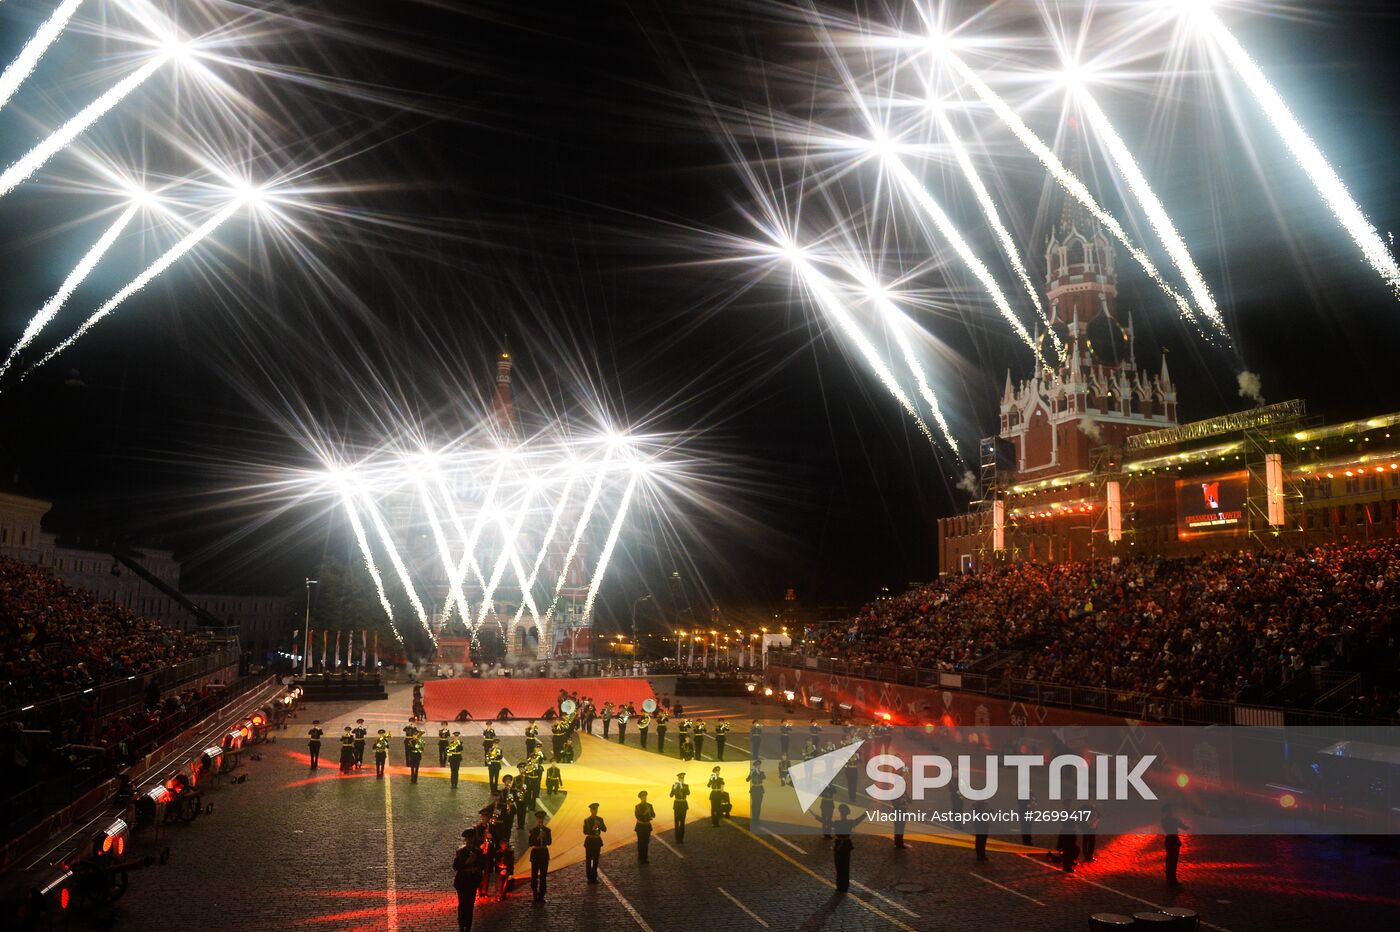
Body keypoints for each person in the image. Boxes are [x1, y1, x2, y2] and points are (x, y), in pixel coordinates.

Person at [453, 828, 484, 931]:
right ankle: (462, 925)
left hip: (472, 882)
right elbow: (455, 866)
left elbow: (483, 865)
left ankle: (468, 926)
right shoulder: (461, 852)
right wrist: (467, 862)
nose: (469, 842)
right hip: (462, 882)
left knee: (470, 904)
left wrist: (477, 861)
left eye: (471, 839)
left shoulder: (478, 852)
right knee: (462, 904)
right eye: (467, 840)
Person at [831, 804, 867, 893]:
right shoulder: (850, 822)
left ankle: (840, 885)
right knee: (845, 866)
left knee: (839, 866)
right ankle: (845, 886)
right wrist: (867, 812)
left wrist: (815, 816)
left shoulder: (837, 822)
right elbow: (860, 819)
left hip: (838, 844)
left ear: (840, 813)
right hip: (846, 844)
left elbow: (825, 821)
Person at [1161, 804, 1188, 886]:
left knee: (1169, 860)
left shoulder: (1163, 820)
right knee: (1173, 860)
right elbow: (1184, 827)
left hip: (1168, 840)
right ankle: (1173, 880)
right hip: (1174, 840)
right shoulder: (1174, 820)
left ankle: (1169, 878)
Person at [527, 812, 551, 904]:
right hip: (536, 853)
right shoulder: (533, 830)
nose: (540, 820)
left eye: (541, 819)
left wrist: (544, 837)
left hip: (544, 852)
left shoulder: (547, 830)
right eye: (538, 819)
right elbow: (531, 843)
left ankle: (541, 895)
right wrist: (538, 837)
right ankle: (535, 893)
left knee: (543, 876)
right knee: (534, 876)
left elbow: (549, 842)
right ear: (536, 819)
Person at [582, 803, 607, 883]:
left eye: (596, 810)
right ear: (591, 810)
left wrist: (599, 825)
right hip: (590, 841)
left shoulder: (600, 819)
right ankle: (589, 878)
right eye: (593, 810)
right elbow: (585, 832)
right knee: (589, 860)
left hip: (597, 841)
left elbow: (605, 829)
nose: (595, 811)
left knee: (596, 860)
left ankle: (594, 877)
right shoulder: (587, 820)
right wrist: (592, 829)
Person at [634, 790, 656, 863]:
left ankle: (645, 857)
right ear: (640, 798)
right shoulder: (637, 807)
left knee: (646, 842)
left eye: (645, 796)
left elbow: (653, 815)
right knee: (641, 842)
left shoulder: (650, 805)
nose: (645, 798)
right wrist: (645, 812)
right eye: (643, 797)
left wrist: (650, 811)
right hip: (640, 826)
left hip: (647, 826)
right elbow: (638, 817)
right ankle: (641, 857)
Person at [670, 772, 690, 843]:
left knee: (682, 822)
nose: (682, 779)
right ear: (678, 779)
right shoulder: (675, 785)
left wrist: (682, 787)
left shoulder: (686, 786)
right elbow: (671, 795)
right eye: (681, 778)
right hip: (677, 805)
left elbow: (688, 793)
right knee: (676, 822)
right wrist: (674, 789)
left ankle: (681, 838)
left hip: (683, 805)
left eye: (683, 778)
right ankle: (677, 838)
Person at [746, 759, 766, 827]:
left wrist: (758, 772)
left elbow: (764, 778)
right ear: (755, 766)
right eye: (757, 765)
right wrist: (750, 774)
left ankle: (757, 819)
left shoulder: (761, 772)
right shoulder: (752, 772)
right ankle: (754, 818)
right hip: (754, 789)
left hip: (760, 789)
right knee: (754, 804)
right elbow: (747, 780)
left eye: (759, 765)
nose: (759, 766)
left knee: (758, 804)